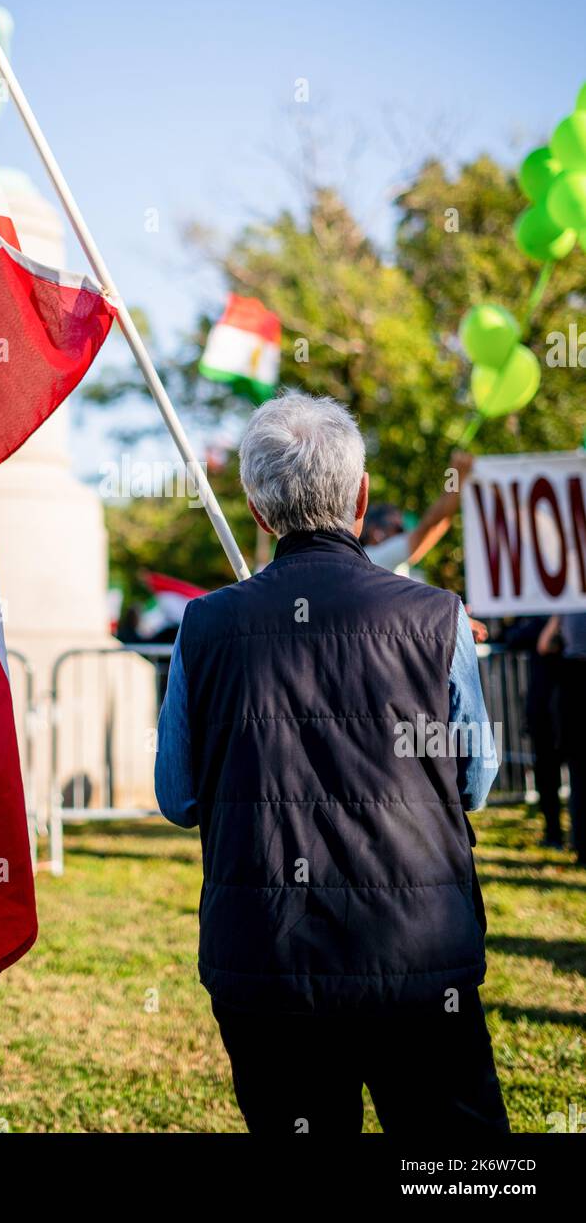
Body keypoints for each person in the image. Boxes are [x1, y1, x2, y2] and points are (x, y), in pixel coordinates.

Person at [155, 391, 508, 1136]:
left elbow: (178, 793)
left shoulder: (205, 626)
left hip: (266, 959)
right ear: (362, 494)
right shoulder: (436, 617)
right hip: (418, 951)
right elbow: (475, 780)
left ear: (256, 509)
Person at [361, 450, 473, 577]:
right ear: (375, 532)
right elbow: (431, 523)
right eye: (399, 529)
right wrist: (455, 475)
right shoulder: (377, 556)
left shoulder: (368, 560)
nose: (406, 533)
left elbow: (434, 525)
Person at [505, 616, 564, 850]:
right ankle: (553, 834)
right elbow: (512, 638)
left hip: (560, 705)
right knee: (548, 775)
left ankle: (558, 835)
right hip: (546, 709)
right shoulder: (543, 619)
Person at [538, 614, 586, 866]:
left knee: (578, 777)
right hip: (572, 688)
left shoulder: (565, 607)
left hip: (571, 689)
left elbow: (544, 645)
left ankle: (581, 845)